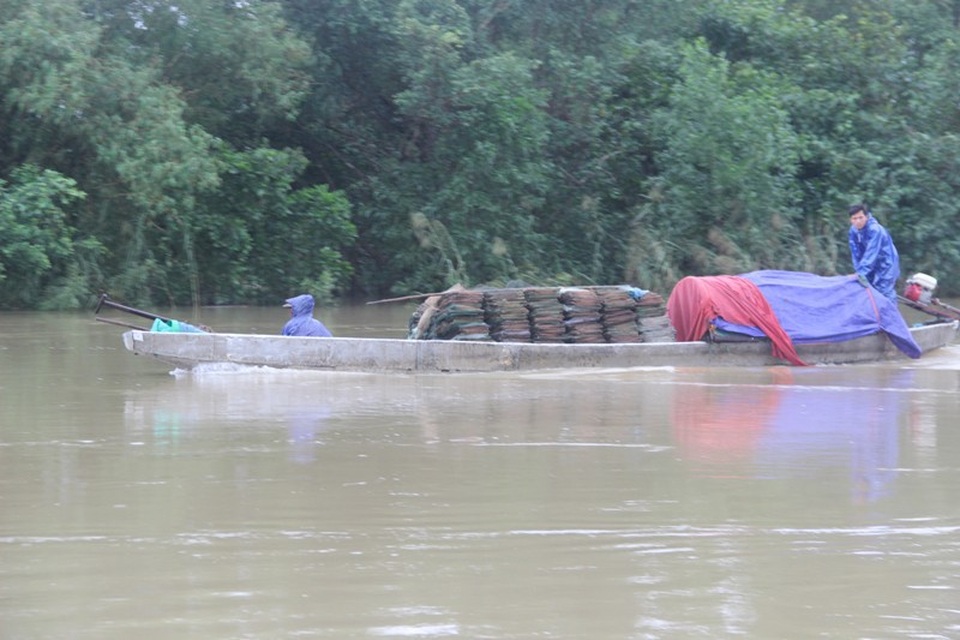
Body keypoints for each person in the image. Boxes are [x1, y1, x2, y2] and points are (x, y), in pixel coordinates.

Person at [848, 203, 900, 303]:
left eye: (860, 217)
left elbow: (871, 253)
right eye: (854, 218)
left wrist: (861, 272)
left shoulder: (875, 230)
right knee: (867, 290)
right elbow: (855, 253)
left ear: (866, 217)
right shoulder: (853, 231)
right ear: (850, 220)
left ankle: (891, 316)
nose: (858, 221)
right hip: (869, 264)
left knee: (884, 291)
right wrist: (858, 271)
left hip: (886, 263)